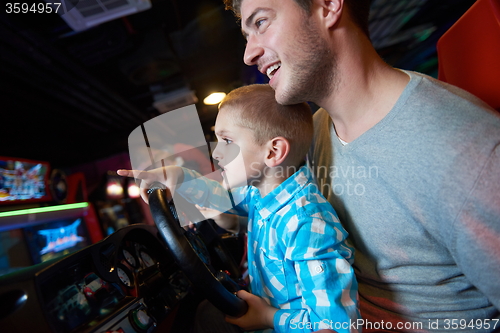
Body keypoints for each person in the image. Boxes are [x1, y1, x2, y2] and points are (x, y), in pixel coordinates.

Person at [223, 0, 500, 331]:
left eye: (262, 23)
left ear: (328, 6)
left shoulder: (466, 151)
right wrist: (178, 187)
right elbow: (267, 210)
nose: (249, 54)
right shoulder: (315, 133)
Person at [118, 84, 360, 333]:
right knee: (202, 313)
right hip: (262, 307)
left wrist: (269, 318)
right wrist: (176, 176)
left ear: (273, 151)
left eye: (227, 141)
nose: (218, 153)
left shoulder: (307, 224)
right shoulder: (259, 192)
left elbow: (335, 326)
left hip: (276, 324)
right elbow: (220, 196)